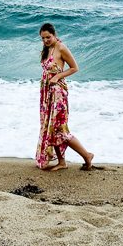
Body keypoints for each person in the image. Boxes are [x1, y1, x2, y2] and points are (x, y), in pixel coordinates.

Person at [35, 22, 95, 171]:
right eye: (43, 38)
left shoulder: (61, 48)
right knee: (51, 129)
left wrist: (58, 76)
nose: (45, 40)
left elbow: (75, 67)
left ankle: (87, 155)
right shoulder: (47, 49)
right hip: (48, 94)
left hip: (58, 94)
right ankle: (62, 162)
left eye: (48, 37)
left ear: (55, 35)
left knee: (61, 130)